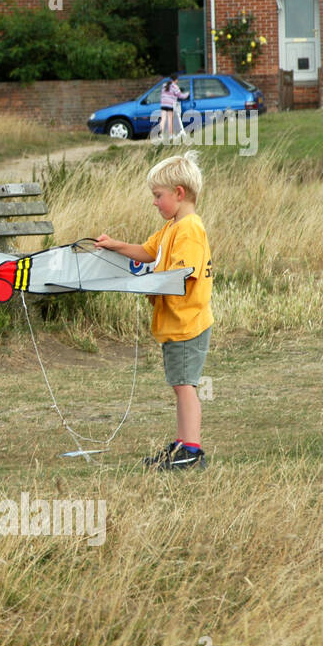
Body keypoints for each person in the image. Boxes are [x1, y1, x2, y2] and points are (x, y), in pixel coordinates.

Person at [96, 150, 213, 470]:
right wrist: (115, 245)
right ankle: (181, 444)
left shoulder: (189, 229)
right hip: (175, 323)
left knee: (185, 386)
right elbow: (148, 252)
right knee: (180, 384)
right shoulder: (172, 227)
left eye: (158, 195)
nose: (154, 202)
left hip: (188, 322)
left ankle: (191, 452)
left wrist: (148, 287)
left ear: (179, 193)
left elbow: (182, 274)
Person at [159, 73, 190, 140]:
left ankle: (161, 135)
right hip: (170, 105)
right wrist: (187, 94)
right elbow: (180, 96)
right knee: (170, 120)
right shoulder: (175, 87)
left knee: (163, 119)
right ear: (175, 80)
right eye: (177, 80)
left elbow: (162, 93)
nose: (177, 81)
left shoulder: (164, 85)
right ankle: (170, 135)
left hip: (163, 104)